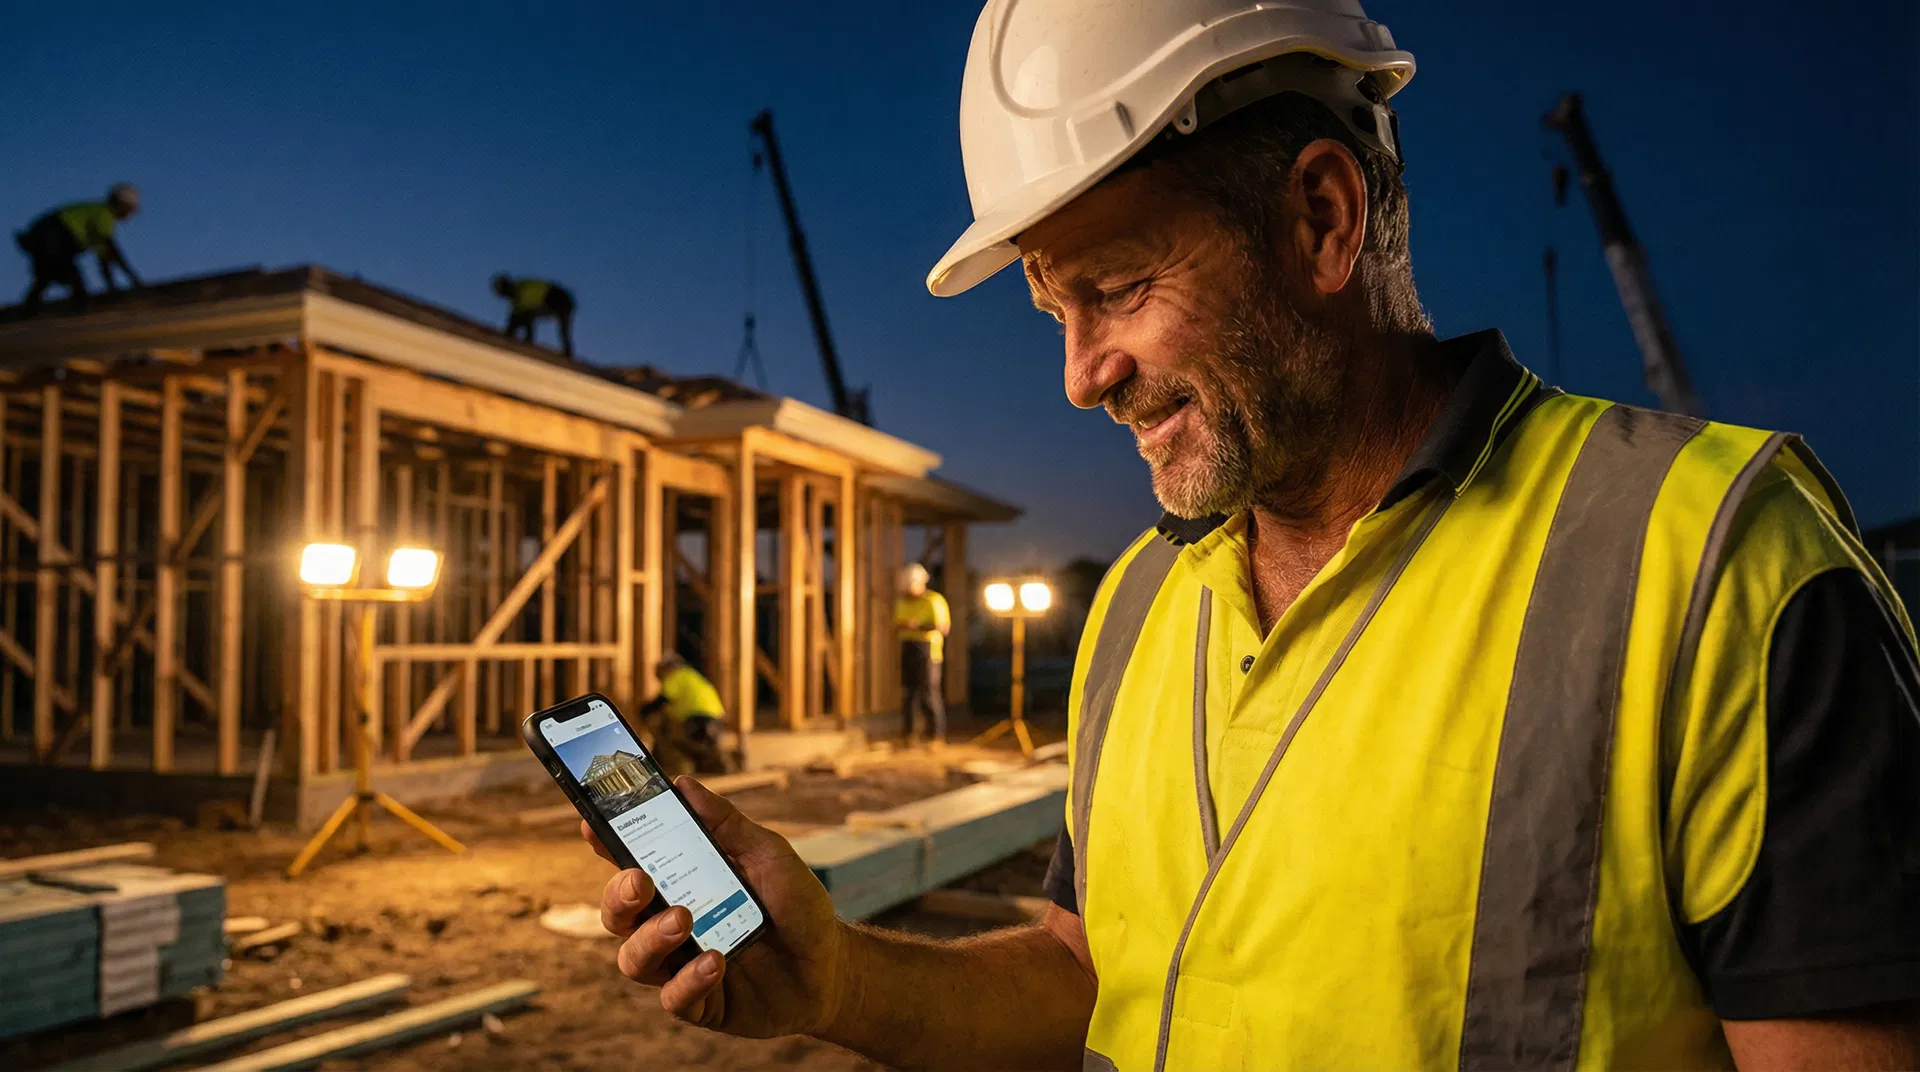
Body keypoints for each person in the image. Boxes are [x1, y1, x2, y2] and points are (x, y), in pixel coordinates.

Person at [581, 2, 1920, 1068]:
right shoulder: (1139, 614)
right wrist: (837, 976)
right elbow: (1095, 980)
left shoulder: (1711, 566)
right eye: (1055, 314)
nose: (1080, 375)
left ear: (1323, 219)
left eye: (1113, 289)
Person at [15, 183, 143, 314]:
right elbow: (114, 251)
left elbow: (105, 260)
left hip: (44, 236)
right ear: (122, 205)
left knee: (49, 274)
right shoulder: (104, 215)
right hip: (51, 234)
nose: (130, 214)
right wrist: (134, 279)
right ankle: (77, 311)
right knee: (72, 280)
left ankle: (28, 310)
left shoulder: (100, 220)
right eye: (130, 209)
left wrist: (112, 287)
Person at [638, 653, 729, 775]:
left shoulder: (675, 676)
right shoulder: (692, 675)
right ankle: (711, 763)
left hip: (697, 722)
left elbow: (661, 700)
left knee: (664, 730)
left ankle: (674, 767)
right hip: (716, 722)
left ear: (666, 669)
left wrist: (642, 711)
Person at [892, 563, 950, 745]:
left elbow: (942, 627)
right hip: (908, 646)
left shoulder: (933, 600)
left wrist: (917, 625)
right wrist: (905, 625)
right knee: (908, 693)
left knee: (928, 693)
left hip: (928, 650)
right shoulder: (902, 601)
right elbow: (896, 624)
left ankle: (935, 734)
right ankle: (908, 734)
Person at [491, 273, 576, 357]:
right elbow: (516, 314)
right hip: (560, 300)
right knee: (563, 330)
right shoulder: (518, 291)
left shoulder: (521, 291)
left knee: (527, 315)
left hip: (559, 300)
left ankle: (529, 341)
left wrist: (510, 332)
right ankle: (567, 352)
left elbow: (520, 314)